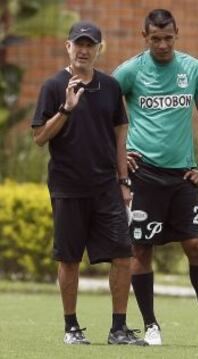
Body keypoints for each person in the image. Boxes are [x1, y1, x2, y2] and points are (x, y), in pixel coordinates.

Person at [112, 9, 198, 348]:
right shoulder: (129, 71)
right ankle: (151, 325)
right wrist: (119, 159)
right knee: (141, 250)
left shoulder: (193, 69)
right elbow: (103, 117)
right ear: (145, 37)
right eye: (155, 39)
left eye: (168, 37)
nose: (162, 45)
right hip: (144, 175)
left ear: (177, 33)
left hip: (183, 176)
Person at [32, 21, 147, 346]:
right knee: (69, 259)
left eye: (90, 44)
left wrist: (124, 182)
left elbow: (120, 139)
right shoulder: (53, 86)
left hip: (106, 190)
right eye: (78, 44)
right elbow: (40, 137)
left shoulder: (110, 87)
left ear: (99, 48)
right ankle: (71, 327)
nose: (83, 50)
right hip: (67, 189)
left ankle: (119, 329)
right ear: (68, 46)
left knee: (123, 255)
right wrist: (66, 109)